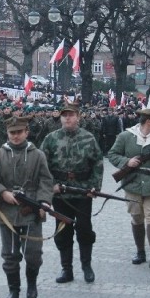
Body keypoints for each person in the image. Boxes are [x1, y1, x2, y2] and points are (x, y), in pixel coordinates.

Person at [0, 116, 53, 298]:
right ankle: (14, 290)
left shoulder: (38, 155)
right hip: (7, 210)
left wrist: (44, 202)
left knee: (33, 254)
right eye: (12, 133)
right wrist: (2, 192)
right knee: (10, 254)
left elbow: (46, 180)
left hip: (32, 209)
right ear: (7, 133)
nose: (16, 136)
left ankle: (31, 285)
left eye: (19, 132)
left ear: (26, 132)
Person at [40, 103, 104, 284]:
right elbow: (42, 165)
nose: (67, 118)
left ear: (78, 117)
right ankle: (66, 268)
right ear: (60, 118)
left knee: (84, 230)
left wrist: (94, 188)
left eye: (71, 115)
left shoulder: (88, 138)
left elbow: (97, 164)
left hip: (83, 192)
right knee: (63, 232)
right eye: (64, 115)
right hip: (60, 194)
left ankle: (87, 266)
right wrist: (51, 185)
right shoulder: (51, 138)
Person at [107, 109, 150, 269]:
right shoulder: (125, 136)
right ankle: (140, 251)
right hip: (132, 184)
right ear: (149, 121)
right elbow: (112, 154)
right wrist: (126, 161)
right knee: (137, 217)